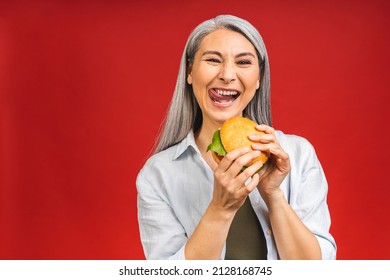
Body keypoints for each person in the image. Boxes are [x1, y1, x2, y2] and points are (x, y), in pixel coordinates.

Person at [136, 14, 336, 260]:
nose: (227, 75)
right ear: (189, 72)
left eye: (243, 62)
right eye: (212, 59)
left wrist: (273, 195)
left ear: (259, 77)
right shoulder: (158, 175)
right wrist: (220, 210)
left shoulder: (298, 155)